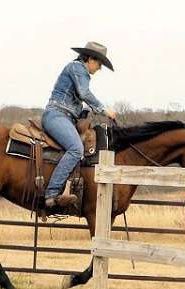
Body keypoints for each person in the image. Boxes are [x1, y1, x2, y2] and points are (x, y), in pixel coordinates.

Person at [42, 41, 117, 208]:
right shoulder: (77, 68)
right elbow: (84, 93)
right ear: (90, 59)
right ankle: (52, 193)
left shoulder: (78, 72)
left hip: (65, 116)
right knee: (76, 149)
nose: (99, 68)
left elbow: (78, 98)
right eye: (99, 63)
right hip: (57, 115)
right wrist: (104, 110)